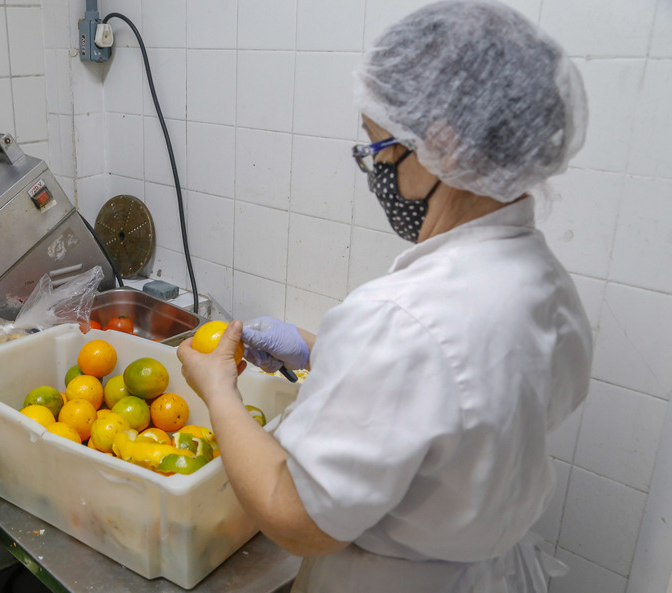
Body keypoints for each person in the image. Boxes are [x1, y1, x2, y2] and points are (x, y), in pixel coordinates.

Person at [176, 1, 592, 591]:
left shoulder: (403, 317)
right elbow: (468, 404)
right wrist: (323, 352)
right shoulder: (546, 284)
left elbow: (296, 517)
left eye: (378, 149)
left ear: (441, 148)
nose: (375, 170)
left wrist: (218, 391)